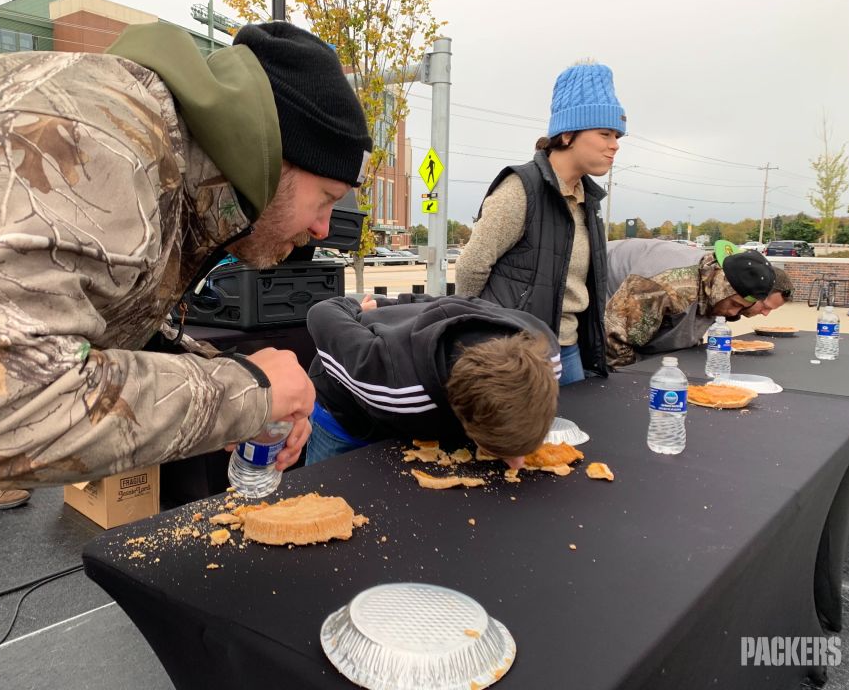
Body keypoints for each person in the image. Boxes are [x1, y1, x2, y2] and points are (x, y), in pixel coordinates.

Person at [0, 21, 371, 688]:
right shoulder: (107, 139)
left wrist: (231, 380)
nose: (324, 231)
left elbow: (80, 326)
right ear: (279, 160)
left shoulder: (169, 168)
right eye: (326, 199)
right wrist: (248, 392)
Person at [456, 61, 625, 385]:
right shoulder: (521, 190)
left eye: (617, 135)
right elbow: (471, 267)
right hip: (517, 357)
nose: (614, 144)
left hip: (569, 350)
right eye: (604, 133)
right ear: (567, 134)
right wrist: (481, 338)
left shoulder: (587, 200)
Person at [303, 293, 561, 469]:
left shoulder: (546, 351)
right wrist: (361, 308)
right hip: (346, 402)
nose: (519, 463)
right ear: (459, 412)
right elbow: (322, 313)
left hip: (414, 387)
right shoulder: (391, 384)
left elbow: (464, 302)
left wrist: (401, 302)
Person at [602, 239, 776, 367]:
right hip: (599, 283)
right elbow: (613, 340)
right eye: (734, 304)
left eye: (742, 308)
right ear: (720, 288)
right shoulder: (668, 286)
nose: (732, 313)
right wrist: (634, 377)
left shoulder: (712, 282)